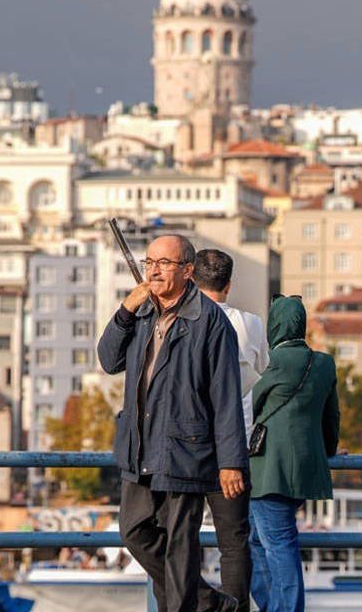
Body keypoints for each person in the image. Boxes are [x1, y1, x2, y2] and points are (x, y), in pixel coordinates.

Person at [97, 234, 248, 612]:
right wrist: (124, 311)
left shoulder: (210, 322)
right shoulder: (142, 311)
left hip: (186, 448)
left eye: (164, 263)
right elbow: (108, 359)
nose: (154, 271)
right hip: (141, 446)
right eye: (150, 262)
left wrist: (230, 462)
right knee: (133, 532)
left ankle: (191, 604)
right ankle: (210, 603)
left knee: (181, 546)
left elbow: (226, 396)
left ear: (187, 271)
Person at [248, 295, 340, 612]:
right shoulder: (324, 363)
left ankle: (284, 609)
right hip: (306, 467)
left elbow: (254, 404)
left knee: (278, 545)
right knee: (259, 540)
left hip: (268, 469)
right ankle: (273, 605)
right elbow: (332, 417)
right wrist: (328, 451)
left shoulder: (276, 362)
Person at [192, 249, 270, 612]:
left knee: (179, 537)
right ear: (229, 283)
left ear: (192, 280)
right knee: (235, 541)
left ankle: (198, 601)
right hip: (236, 448)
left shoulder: (182, 320)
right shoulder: (250, 324)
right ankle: (236, 607)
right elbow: (262, 373)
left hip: (189, 447)